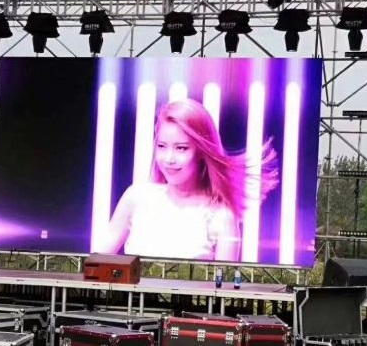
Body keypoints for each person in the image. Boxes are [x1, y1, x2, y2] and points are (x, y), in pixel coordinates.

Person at [95, 98, 279, 261]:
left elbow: (226, 286)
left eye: (181, 148)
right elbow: (95, 265)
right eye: (161, 146)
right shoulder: (136, 198)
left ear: (202, 152)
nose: (169, 159)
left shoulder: (221, 216)